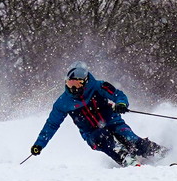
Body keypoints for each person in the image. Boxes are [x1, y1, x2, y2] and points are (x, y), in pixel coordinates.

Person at [29, 62, 166, 165]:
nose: (73, 88)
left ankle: (162, 154)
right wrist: (39, 144)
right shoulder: (63, 102)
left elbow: (118, 95)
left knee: (130, 139)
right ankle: (126, 159)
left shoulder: (98, 87)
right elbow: (52, 125)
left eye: (77, 84)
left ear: (85, 81)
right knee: (103, 138)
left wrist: (121, 104)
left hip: (113, 122)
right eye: (70, 84)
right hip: (92, 133)